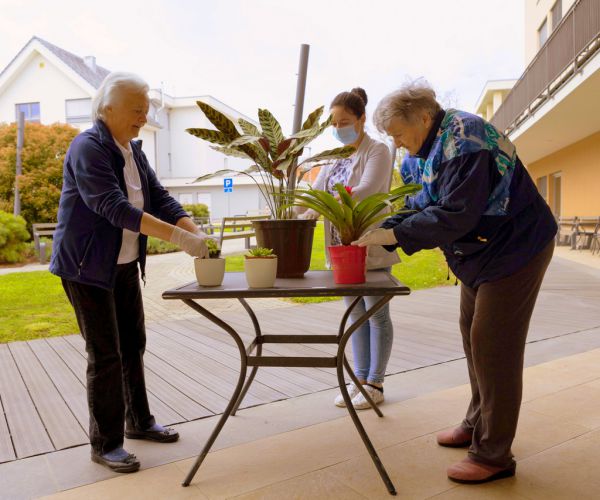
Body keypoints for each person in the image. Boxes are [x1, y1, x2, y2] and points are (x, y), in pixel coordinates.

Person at [354, 79, 557, 484]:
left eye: (397, 133)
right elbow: (419, 204)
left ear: (424, 118)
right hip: (480, 255)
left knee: (493, 343)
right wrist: (382, 227)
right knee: (473, 336)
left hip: (516, 247)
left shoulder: (467, 137)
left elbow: (456, 214)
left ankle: (494, 453)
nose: (396, 143)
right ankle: (476, 424)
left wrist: (394, 236)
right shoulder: (422, 152)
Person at [50, 72, 212, 473]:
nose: (144, 116)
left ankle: (138, 421)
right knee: (105, 354)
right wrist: (179, 240)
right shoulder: (88, 147)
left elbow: (158, 198)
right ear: (108, 108)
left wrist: (195, 231)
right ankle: (106, 444)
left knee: (133, 342)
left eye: (146, 109)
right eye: (137, 109)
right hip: (87, 268)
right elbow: (115, 208)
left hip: (122, 265)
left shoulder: (133, 151)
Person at [297, 87, 399, 409]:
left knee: (376, 314)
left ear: (360, 119)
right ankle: (359, 382)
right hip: (341, 249)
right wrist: (297, 215)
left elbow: (366, 189)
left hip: (371, 244)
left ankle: (375, 384)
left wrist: (329, 201)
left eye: (344, 121)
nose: (339, 128)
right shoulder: (333, 158)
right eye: (334, 123)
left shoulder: (377, 151)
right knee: (354, 314)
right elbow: (315, 194)